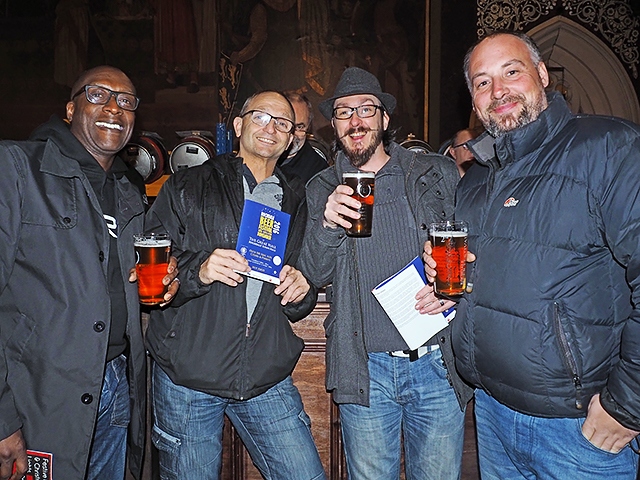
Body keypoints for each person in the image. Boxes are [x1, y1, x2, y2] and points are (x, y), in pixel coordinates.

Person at [424, 31, 640, 479]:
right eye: (482, 82)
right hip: (492, 413)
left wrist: (628, 404)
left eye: (511, 71)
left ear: (542, 75)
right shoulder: (476, 182)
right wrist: (454, 284)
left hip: (577, 428)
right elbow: (495, 277)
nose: (497, 90)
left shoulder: (608, 149)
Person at [0, 65, 179, 480]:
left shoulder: (128, 190)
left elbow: (123, 280)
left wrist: (168, 281)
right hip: (40, 392)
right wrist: (2, 416)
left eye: (126, 101)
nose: (114, 108)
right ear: (69, 109)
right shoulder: (19, 168)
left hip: (117, 381)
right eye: (98, 95)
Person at [298, 66, 473, 479]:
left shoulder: (434, 173)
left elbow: (475, 250)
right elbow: (313, 273)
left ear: (384, 119)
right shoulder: (322, 186)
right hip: (367, 371)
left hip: (435, 364)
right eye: (344, 112)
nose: (355, 121)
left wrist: (456, 287)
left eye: (365, 110)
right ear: (334, 125)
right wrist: (326, 225)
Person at [144, 90, 326, 480]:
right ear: (239, 125)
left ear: (293, 138)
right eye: (261, 117)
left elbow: (301, 293)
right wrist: (200, 269)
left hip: (264, 374)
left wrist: (301, 288)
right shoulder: (188, 184)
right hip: (189, 376)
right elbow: (151, 263)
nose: (271, 128)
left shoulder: (297, 199)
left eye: (284, 123)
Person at [278, 91, 329, 183]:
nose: (292, 134)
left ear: (308, 127)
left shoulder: (318, 171)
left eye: (299, 127)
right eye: (284, 124)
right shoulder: (255, 154)